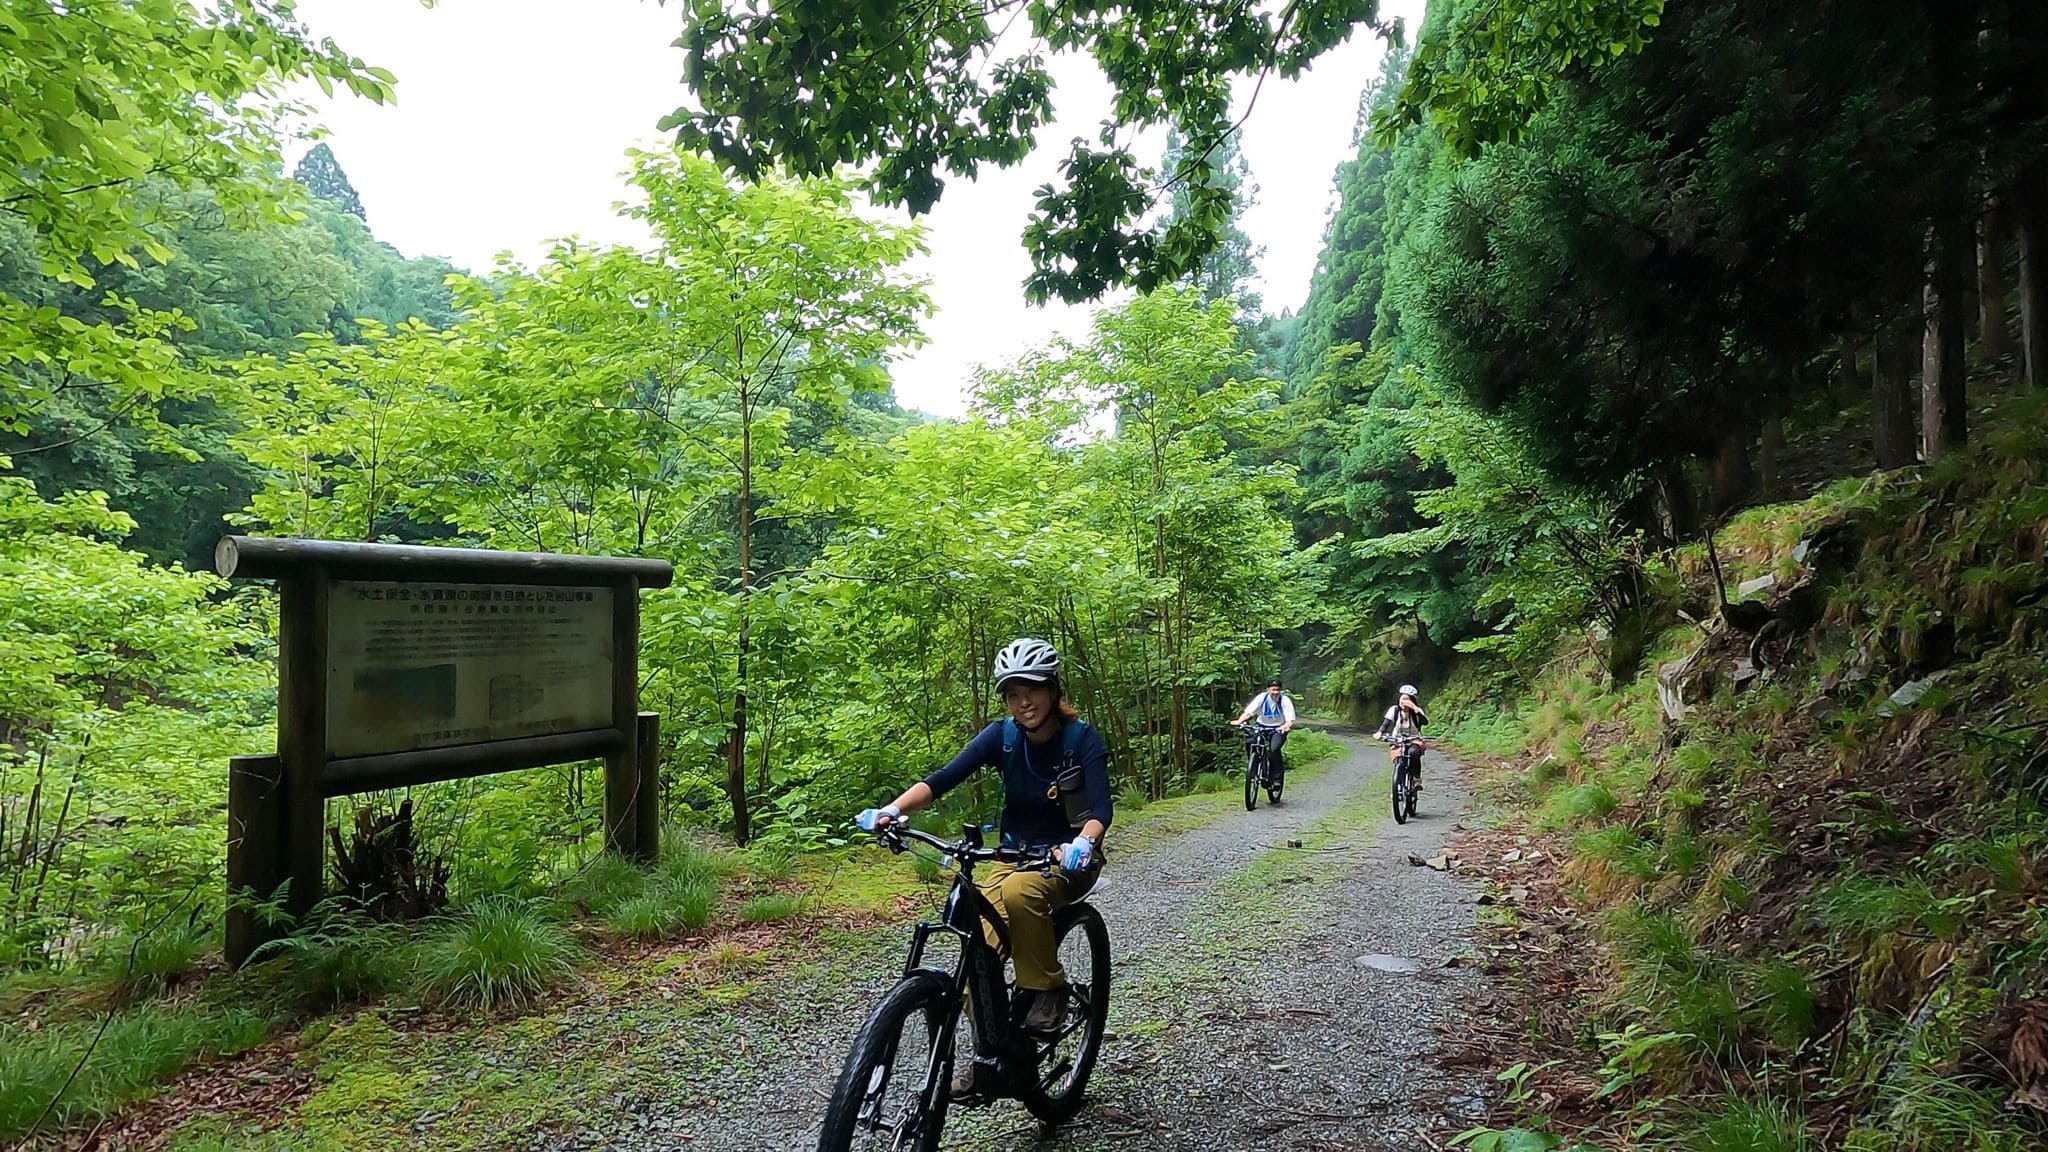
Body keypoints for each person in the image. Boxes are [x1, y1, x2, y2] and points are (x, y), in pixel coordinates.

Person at [855, 637, 1111, 1096]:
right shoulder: (1003, 736)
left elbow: (1100, 811)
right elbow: (940, 780)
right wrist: (892, 809)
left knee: (1021, 894)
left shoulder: (1081, 740)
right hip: (1011, 858)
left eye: (1032, 689)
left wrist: (1082, 843)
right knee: (977, 952)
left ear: (1053, 690)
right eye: (1013, 693)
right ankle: (989, 1054)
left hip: (1069, 859)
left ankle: (1047, 990)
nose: (1023, 702)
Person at [1229, 678, 1296, 776]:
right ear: (1268, 689)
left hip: (1278, 728)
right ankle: (1254, 767)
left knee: (1274, 750)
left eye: (1277, 690)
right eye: (1273, 690)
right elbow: (1249, 712)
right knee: (1251, 742)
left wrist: (1286, 726)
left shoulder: (1284, 700)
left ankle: (1276, 778)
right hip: (1261, 726)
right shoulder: (1262, 698)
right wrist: (1239, 721)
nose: (1275, 692)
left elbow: (1290, 719)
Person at [1375, 683, 1430, 791]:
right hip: (1398, 739)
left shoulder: (1416, 711)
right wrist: (1379, 732)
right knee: (1399, 758)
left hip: (1414, 739)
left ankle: (1416, 779)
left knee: (1413, 753)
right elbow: (1386, 724)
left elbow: (1425, 722)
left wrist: (1414, 708)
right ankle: (1397, 786)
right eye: (1402, 698)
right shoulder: (1394, 710)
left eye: (1406, 699)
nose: (1403, 701)